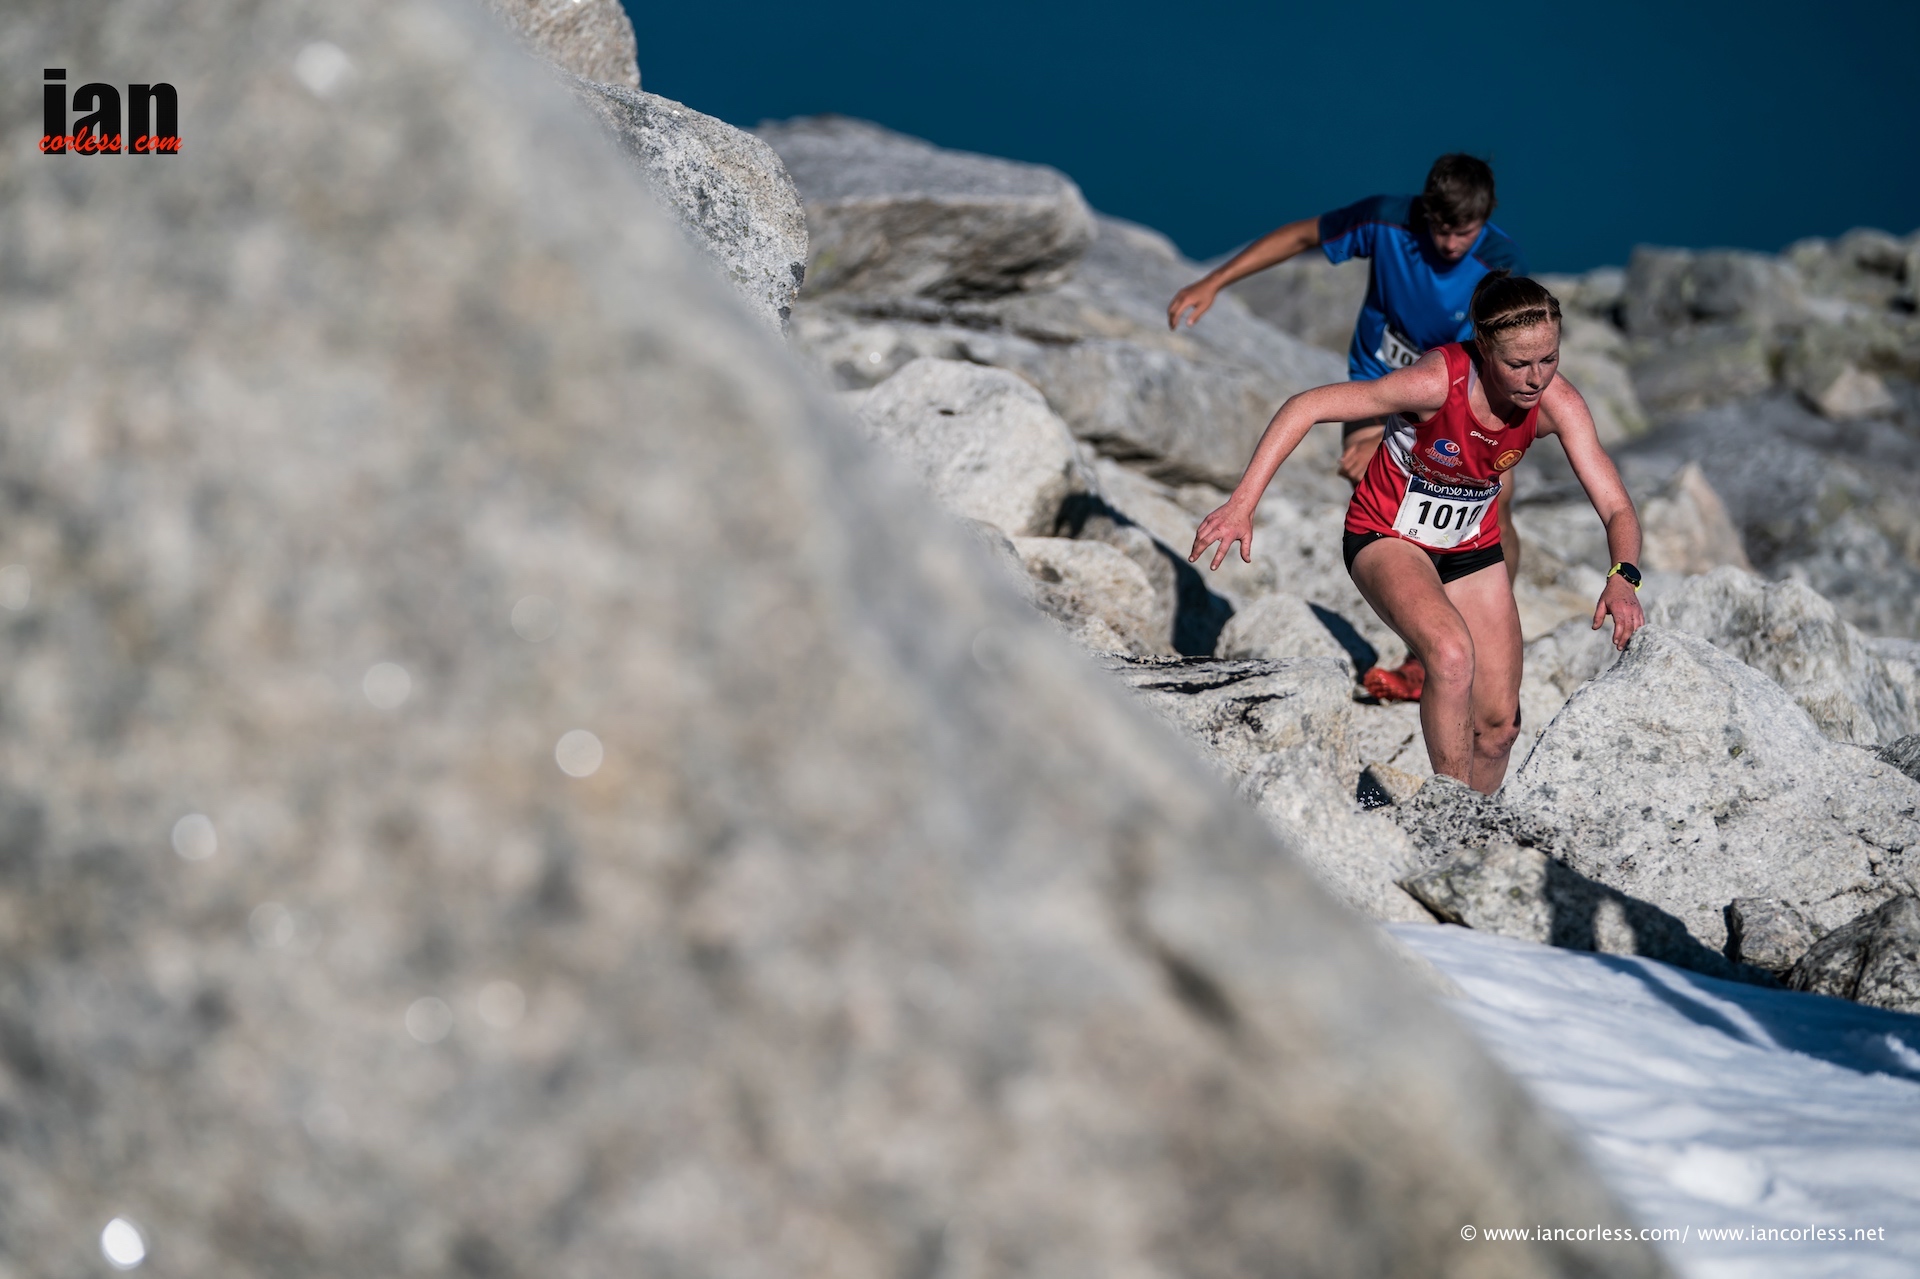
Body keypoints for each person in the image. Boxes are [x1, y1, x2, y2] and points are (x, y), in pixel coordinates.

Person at [1187, 273, 1645, 796]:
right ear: (1483, 347)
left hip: (1471, 549)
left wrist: (1623, 576)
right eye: (1518, 363)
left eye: (1549, 358)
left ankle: (1472, 826)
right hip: (1387, 536)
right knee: (1451, 656)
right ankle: (1447, 811)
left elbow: (1617, 507)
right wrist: (1241, 504)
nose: (1536, 378)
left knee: (1499, 727)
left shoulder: (1558, 402)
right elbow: (1305, 406)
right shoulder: (1432, 383)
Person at [1168, 157, 1527, 699]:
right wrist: (1215, 280)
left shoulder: (1500, 261)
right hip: (1378, 387)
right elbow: (1300, 236)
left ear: (1487, 216)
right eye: (1442, 229)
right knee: (1373, 480)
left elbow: (1505, 355)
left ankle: (1473, 635)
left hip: (1457, 399)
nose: (1453, 244)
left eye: (1466, 231)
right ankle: (1428, 649)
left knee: (1495, 501)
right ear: (1425, 212)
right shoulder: (1386, 221)